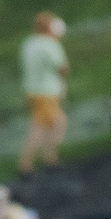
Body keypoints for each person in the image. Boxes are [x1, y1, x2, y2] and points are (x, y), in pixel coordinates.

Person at [18, 12, 69, 174]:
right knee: (48, 126)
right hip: (46, 93)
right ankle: (27, 164)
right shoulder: (50, 44)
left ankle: (49, 158)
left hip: (31, 91)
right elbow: (62, 68)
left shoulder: (28, 43)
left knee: (49, 125)